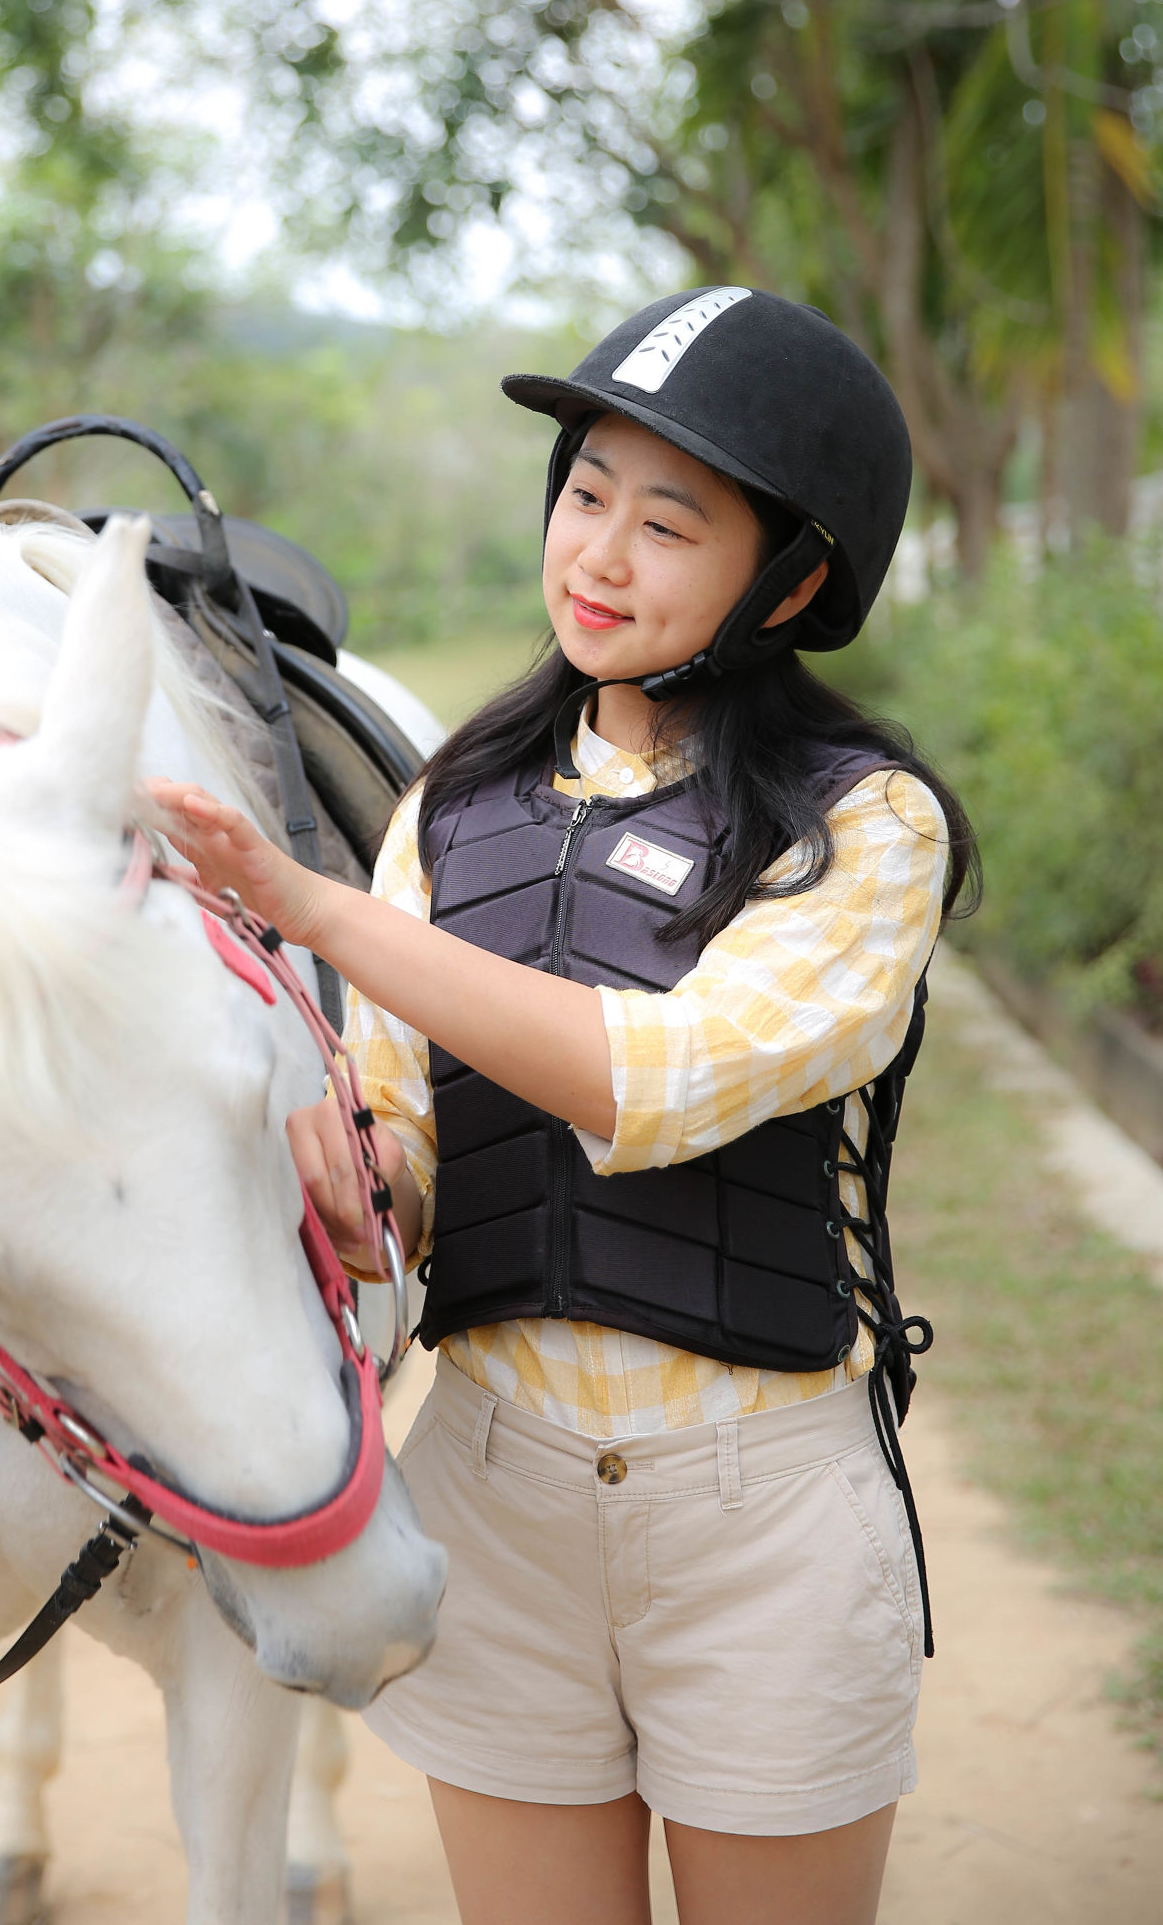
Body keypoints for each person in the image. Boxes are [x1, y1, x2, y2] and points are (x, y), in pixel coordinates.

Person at [148, 285, 977, 1925]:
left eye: (670, 523)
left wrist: (316, 912)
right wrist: (359, 1173)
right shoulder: (451, 813)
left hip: (758, 1523)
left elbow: (653, 1079)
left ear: (794, 579)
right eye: (587, 492)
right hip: (499, 1493)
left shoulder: (861, 829)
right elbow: (416, 1154)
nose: (600, 554)